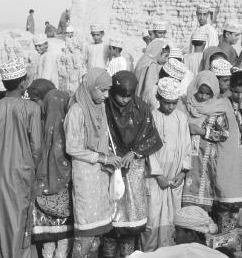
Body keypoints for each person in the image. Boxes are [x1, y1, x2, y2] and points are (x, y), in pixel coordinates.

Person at [103, 71, 162, 257]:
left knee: (131, 217)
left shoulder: (141, 108)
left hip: (134, 165)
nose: (124, 100)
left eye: (128, 95)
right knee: (110, 214)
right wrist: (110, 155)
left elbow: (150, 135)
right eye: (120, 94)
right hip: (110, 166)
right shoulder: (104, 107)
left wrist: (133, 152)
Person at [0, 59, 42, 258]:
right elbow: (37, 147)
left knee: (2, 221)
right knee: (20, 220)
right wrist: (32, 169)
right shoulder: (32, 109)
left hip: (0, 173)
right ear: (23, 83)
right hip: (23, 172)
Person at [64, 68, 119, 258]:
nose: (106, 95)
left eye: (108, 90)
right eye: (102, 90)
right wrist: (102, 158)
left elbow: (101, 138)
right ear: (90, 88)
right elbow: (72, 147)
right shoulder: (77, 111)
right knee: (85, 235)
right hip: (86, 177)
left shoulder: (99, 107)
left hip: (100, 175)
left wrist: (110, 156)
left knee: (97, 237)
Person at [141, 77, 191, 250]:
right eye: (167, 102)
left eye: (174, 103)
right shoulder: (151, 118)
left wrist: (183, 172)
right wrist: (159, 175)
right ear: (158, 98)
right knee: (152, 220)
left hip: (175, 179)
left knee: (171, 221)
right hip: (155, 179)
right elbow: (147, 150)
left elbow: (186, 146)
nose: (170, 106)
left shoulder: (182, 118)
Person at [213, 70, 242, 233]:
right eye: (236, 92)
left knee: (238, 204)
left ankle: (231, 237)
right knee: (224, 200)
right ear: (230, 88)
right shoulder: (221, 103)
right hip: (224, 158)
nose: (240, 96)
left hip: (241, 160)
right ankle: (223, 237)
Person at [30, 88, 74, 258]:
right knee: (64, 240)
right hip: (65, 190)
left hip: (43, 191)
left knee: (47, 242)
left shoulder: (38, 127)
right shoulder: (70, 127)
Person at [182, 71, 229, 211]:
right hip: (187, 155)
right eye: (200, 92)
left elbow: (224, 134)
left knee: (203, 186)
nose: (203, 96)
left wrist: (201, 131)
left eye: (207, 94)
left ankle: (201, 219)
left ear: (213, 92)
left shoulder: (218, 109)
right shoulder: (186, 104)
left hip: (206, 158)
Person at [129, 206, 225, 258]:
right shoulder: (221, 256)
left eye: (177, 230)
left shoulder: (183, 251)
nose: (173, 235)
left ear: (192, 234)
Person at [135, 39, 168, 110]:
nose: (166, 60)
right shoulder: (152, 65)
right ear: (159, 52)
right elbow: (148, 90)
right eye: (166, 56)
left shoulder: (143, 60)